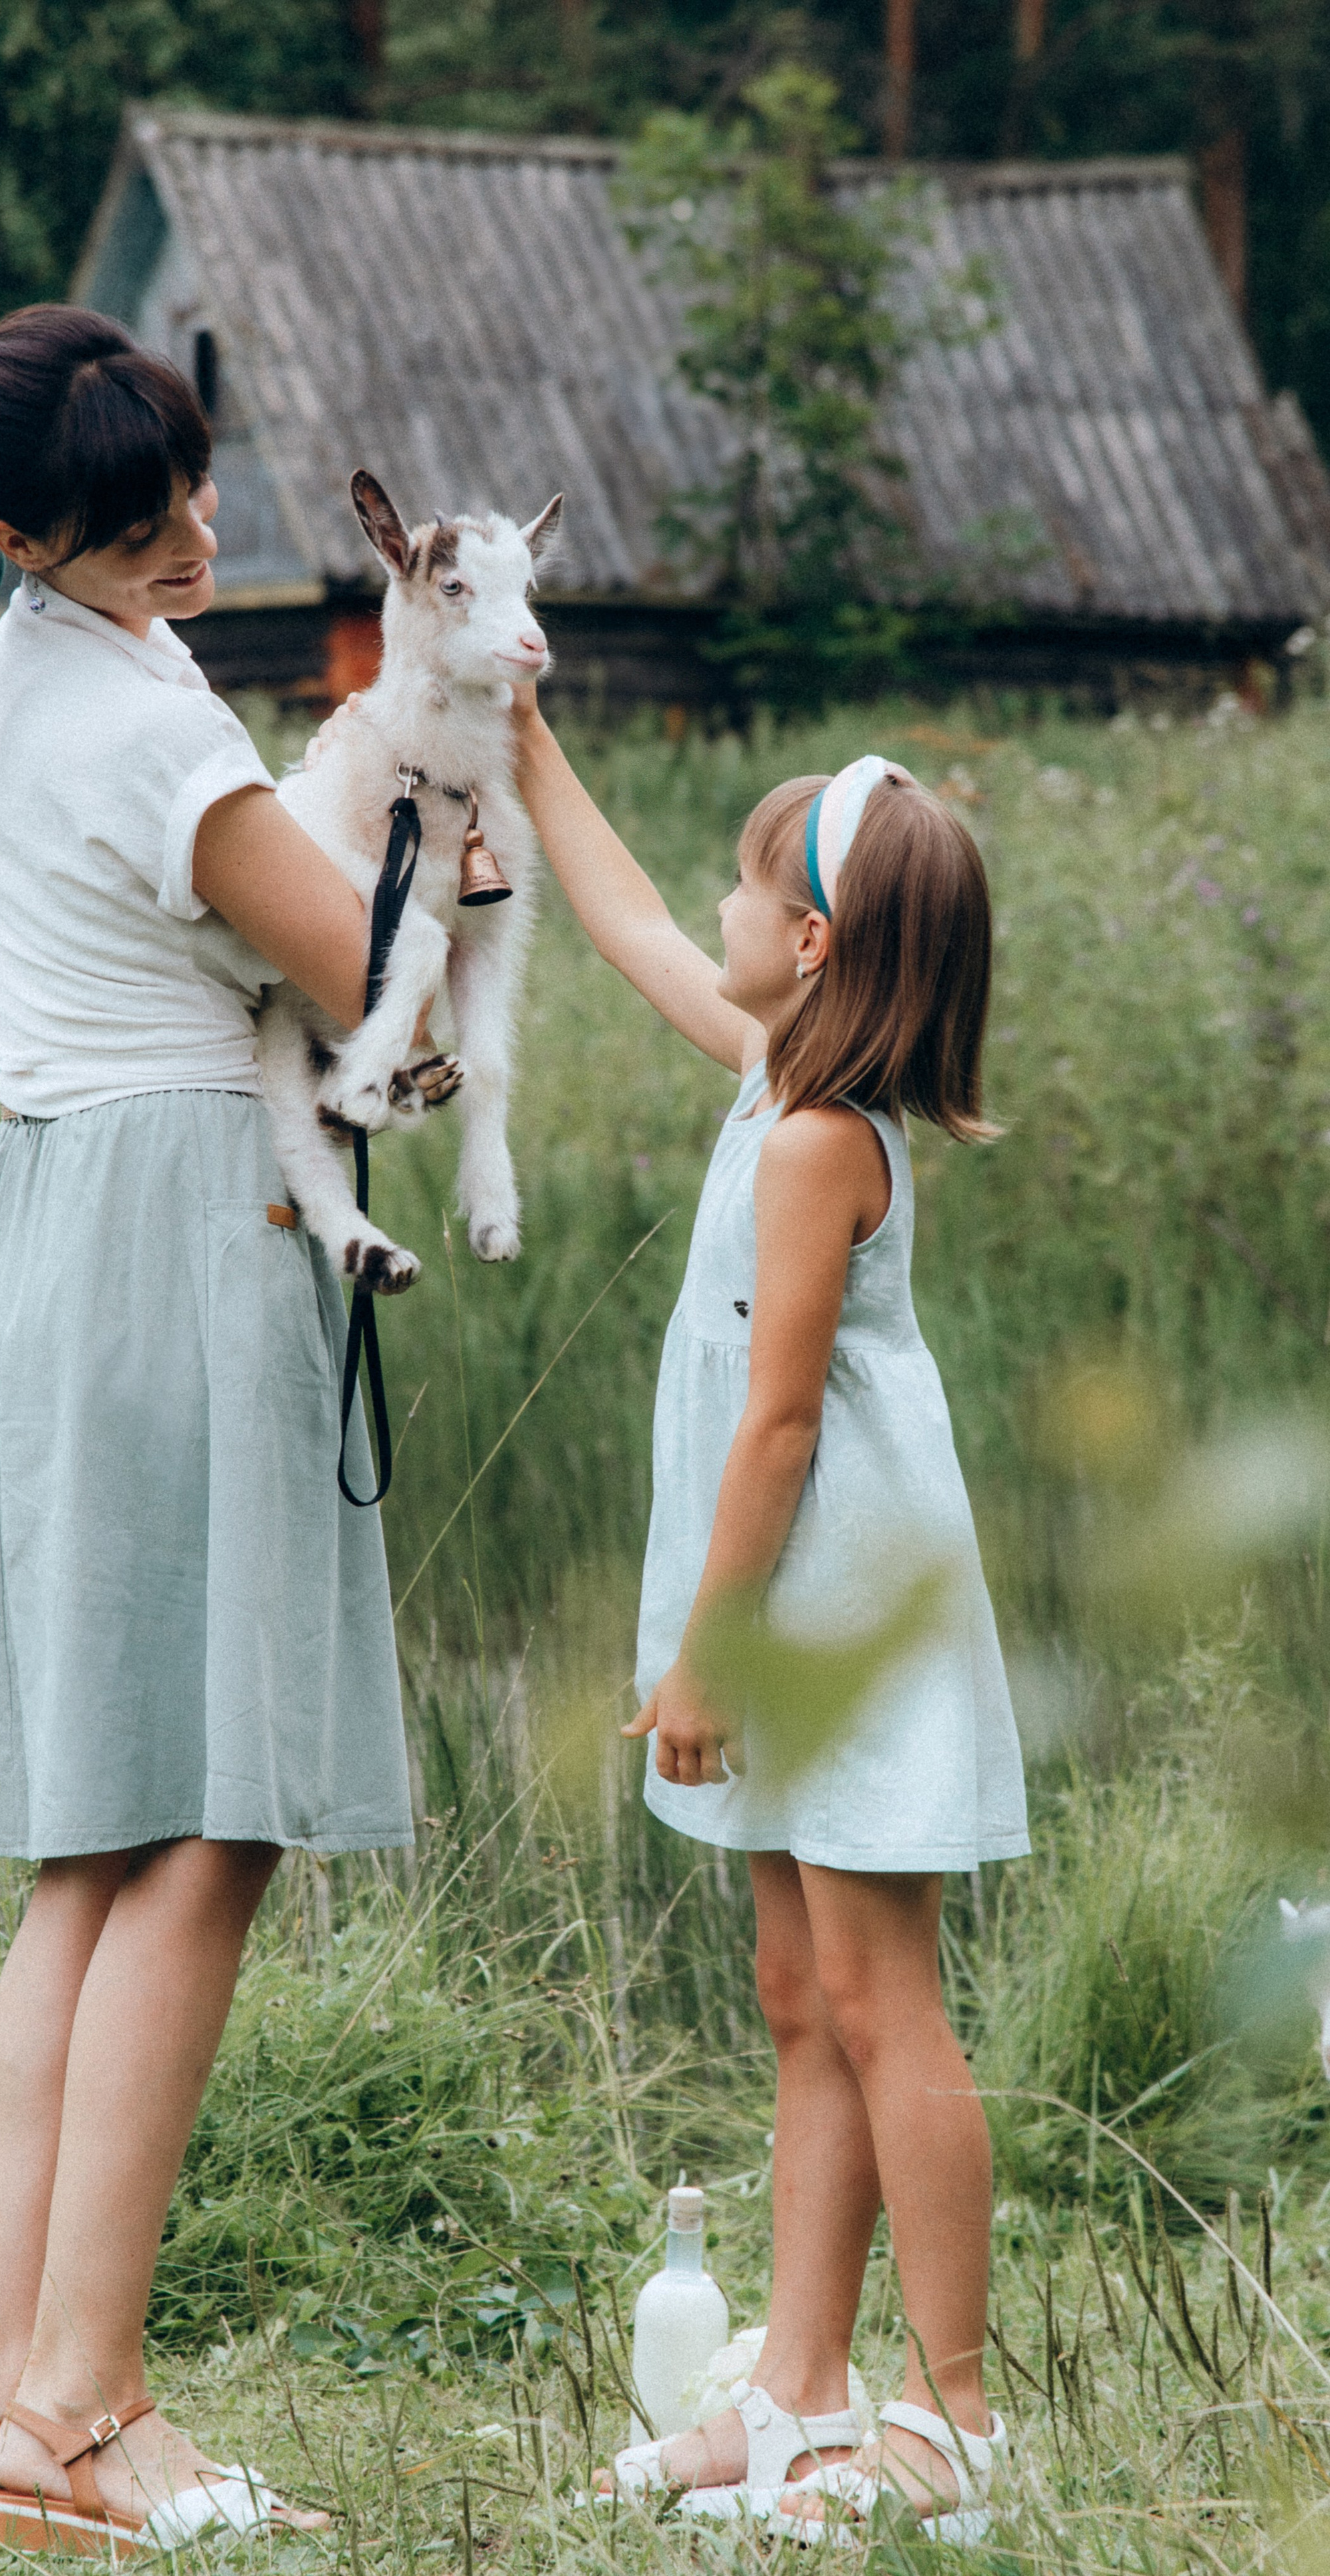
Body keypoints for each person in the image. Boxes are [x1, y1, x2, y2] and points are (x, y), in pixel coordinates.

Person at [0, 304, 429, 2553]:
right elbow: (365, 978)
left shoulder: (39, 666)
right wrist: (435, 858)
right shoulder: (126, 718)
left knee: (98, 1844)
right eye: (143, 523)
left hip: (71, 1226)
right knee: (211, 1821)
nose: (201, 539)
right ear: (24, 531)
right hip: (187, 1219)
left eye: (199, 485)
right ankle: (89, 2416)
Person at [511, 711, 1029, 2544]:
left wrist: (710, 1659)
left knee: (891, 2007)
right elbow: (637, 924)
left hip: (836, 1625)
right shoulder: (773, 1077)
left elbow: (785, 1424)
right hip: (789, 1618)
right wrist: (526, 737)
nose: (716, 905)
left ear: (810, 944)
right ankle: (799, 2396)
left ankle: (949, 2419)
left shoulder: (821, 1145)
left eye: (753, 879)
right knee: (801, 1997)